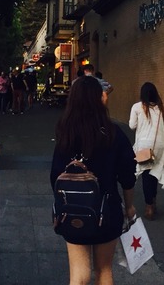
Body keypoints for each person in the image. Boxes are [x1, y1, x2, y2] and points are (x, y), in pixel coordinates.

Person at [50, 75, 136, 285]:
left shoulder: (65, 132)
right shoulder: (113, 133)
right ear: (98, 98)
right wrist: (129, 206)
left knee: (79, 276)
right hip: (107, 211)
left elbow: (55, 175)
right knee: (104, 270)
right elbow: (128, 175)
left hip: (72, 210)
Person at [129, 81, 164, 221]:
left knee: (146, 174)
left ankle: (149, 206)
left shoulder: (137, 107)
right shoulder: (160, 108)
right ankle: (153, 201)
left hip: (144, 146)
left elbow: (132, 125)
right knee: (154, 173)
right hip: (159, 146)